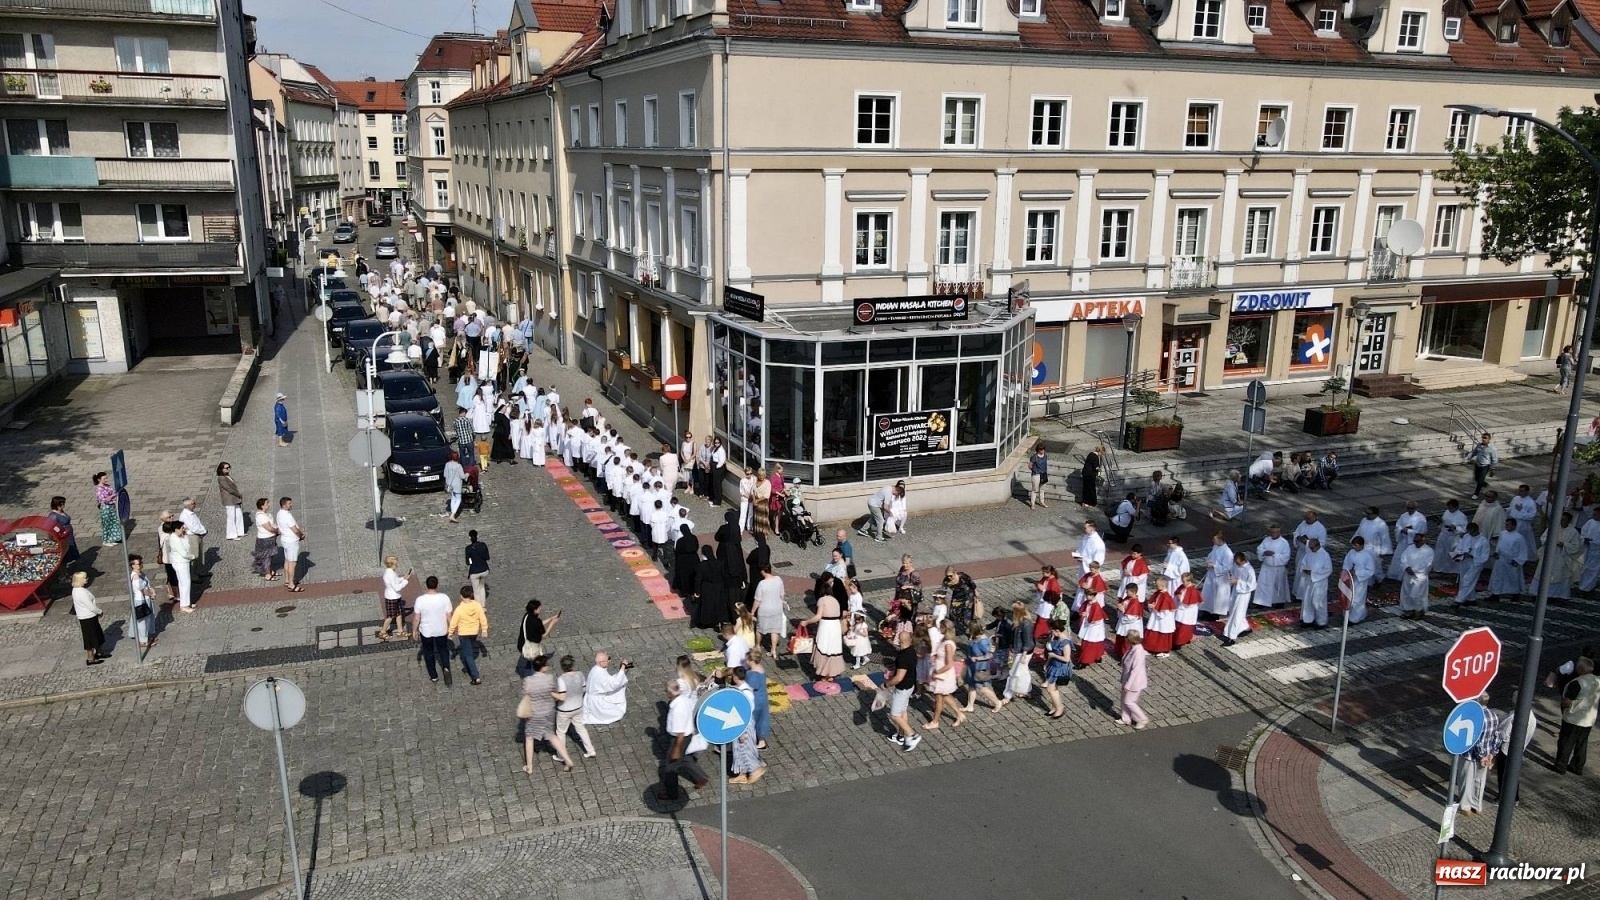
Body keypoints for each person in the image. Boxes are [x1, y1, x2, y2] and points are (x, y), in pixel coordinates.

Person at [522, 655, 574, 773]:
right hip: (548, 711)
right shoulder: (549, 678)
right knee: (551, 736)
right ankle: (567, 759)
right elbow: (553, 692)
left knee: (529, 738)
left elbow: (526, 694)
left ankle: (529, 766)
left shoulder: (528, 681)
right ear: (543, 668)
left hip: (534, 712)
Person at [1459, 691, 1502, 817]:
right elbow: (1497, 736)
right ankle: (1477, 805)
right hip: (1488, 754)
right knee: (1480, 780)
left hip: (1471, 754)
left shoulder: (1475, 717)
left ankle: (1465, 806)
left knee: (1466, 779)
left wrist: (1481, 755)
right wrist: (1492, 754)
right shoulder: (1493, 715)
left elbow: (1475, 739)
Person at [1554, 657, 1598, 776]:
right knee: (1582, 744)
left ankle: (1560, 766)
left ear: (1581, 669)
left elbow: (1567, 701)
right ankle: (1577, 767)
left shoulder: (1577, 682)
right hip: (1589, 719)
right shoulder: (1597, 680)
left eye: (1578, 666)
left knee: (1566, 742)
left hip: (1573, 718)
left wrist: (1563, 704)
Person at [726, 667, 768, 784]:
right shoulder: (742, 689)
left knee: (744, 748)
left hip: (743, 724)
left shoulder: (745, 693)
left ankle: (755, 769)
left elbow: (744, 713)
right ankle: (742, 774)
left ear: (735, 677)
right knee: (739, 749)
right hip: (740, 723)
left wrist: (742, 732)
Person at [798, 578, 845, 679]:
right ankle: (832, 674)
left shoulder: (822, 600)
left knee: (823, 646)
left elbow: (818, 616)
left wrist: (806, 622)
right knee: (833, 648)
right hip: (836, 626)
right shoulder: (835, 600)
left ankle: (824, 674)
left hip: (826, 625)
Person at [882, 631, 921, 751]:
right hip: (910, 686)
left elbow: (899, 677)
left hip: (902, 688)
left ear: (900, 640)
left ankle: (912, 735)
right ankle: (901, 736)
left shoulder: (903, 656)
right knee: (903, 710)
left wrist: (886, 684)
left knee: (895, 715)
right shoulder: (912, 651)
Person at [1536, 511, 1584, 603]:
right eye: (1560, 519)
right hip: (1550, 554)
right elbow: (1543, 538)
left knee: (1561, 575)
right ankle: (1539, 594)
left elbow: (1576, 546)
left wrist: (1564, 545)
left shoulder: (1573, 532)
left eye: (1564, 520)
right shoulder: (1553, 528)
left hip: (1562, 556)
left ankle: (1558, 595)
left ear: (1569, 521)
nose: (1561, 521)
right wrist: (1549, 540)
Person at [412, 579, 454, 683]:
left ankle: (433, 675)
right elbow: (449, 615)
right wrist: (452, 628)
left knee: (428, 652)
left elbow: (417, 618)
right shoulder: (444, 598)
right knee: (443, 650)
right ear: (437, 585)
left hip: (426, 631)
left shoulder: (420, 600)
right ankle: (446, 667)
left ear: (426, 585)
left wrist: (414, 630)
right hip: (441, 629)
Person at [448, 585, 488, 685]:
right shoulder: (477, 605)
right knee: (468, 650)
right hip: (474, 632)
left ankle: (475, 677)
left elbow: (453, 622)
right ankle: (467, 667)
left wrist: (451, 632)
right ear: (471, 595)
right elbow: (483, 618)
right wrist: (484, 629)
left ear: (461, 596)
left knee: (468, 654)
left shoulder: (459, 609)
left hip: (463, 633)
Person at [751, 561, 787, 662]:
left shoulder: (762, 584)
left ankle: (757, 645)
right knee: (775, 630)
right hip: (777, 608)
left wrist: (752, 612)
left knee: (760, 629)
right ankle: (773, 649)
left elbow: (757, 600)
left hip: (765, 609)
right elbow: (782, 594)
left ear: (763, 571)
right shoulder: (778, 579)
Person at [961, 621, 1001, 712]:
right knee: (971, 686)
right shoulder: (975, 638)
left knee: (982, 688)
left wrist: (976, 658)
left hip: (980, 668)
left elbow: (989, 655)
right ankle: (970, 706)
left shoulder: (983, 642)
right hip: (973, 667)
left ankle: (997, 702)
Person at [583, 652, 630, 725]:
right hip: (597, 703)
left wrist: (621, 670)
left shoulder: (596, 669)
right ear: (601, 662)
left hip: (594, 697)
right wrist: (623, 667)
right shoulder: (600, 675)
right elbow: (615, 683)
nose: (609, 662)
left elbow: (609, 681)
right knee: (619, 713)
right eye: (608, 660)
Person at [1296, 538, 1334, 628]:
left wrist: (1314, 573)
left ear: (1318, 546)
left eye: (1312, 548)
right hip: (1309, 580)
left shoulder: (1325, 555)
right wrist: (1304, 569)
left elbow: (1328, 570)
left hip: (1320, 582)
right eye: (1310, 547)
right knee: (1307, 600)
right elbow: (1303, 563)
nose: (1311, 549)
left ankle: (1321, 621)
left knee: (1317, 601)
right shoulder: (1309, 553)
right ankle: (1308, 619)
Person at [1396, 533, 1435, 620]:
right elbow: (1403, 557)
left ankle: (1419, 610)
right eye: (1414, 541)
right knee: (1406, 593)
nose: (1416, 543)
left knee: (1417, 594)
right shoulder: (1410, 548)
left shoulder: (1429, 551)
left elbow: (1428, 564)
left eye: (1418, 541)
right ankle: (1408, 610)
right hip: (1408, 574)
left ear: (1423, 541)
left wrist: (1414, 570)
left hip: (1419, 576)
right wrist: (1406, 567)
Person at [1488, 519, 1529, 602]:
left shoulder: (1519, 537)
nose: (1506, 526)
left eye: (1508, 525)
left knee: (1512, 578)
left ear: (1514, 526)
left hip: (1511, 560)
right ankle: (1495, 594)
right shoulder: (1503, 533)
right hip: (1501, 559)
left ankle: (1515, 594)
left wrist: (1518, 560)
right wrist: (1496, 552)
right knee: (1497, 577)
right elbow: (1499, 544)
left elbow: (1523, 550)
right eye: (1506, 524)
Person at [71, 571, 106, 666]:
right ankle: (90, 658)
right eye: (85, 578)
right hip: (88, 617)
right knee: (90, 638)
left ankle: (98, 652)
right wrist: (99, 611)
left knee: (95, 635)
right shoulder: (81, 592)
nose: (87, 579)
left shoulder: (76, 590)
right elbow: (90, 606)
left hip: (86, 617)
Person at [1077, 564, 1109, 666]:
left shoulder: (1096, 606)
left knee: (1091, 642)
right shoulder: (1087, 602)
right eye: (1086, 595)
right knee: (1089, 641)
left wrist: (1087, 615)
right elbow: (1082, 609)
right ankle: (1097, 656)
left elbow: (1097, 619)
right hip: (1088, 624)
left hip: (1094, 627)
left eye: (1089, 595)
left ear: (1093, 595)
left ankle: (1085, 660)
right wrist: (1083, 613)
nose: (1087, 597)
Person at [1451, 522, 1491, 605]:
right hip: (1465, 561)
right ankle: (1471, 599)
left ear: (1476, 530)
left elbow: (1484, 556)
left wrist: (1472, 556)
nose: (1470, 534)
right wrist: (1461, 553)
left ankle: (1458, 600)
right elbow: (1459, 548)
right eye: (1469, 532)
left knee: (1468, 581)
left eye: (1472, 532)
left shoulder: (1483, 541)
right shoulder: (1466, 537)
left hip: (1475, 564)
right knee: (1463, 580)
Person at [1041, 620, 1074, 719]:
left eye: (1053, 631)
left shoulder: (1065, 643)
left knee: (1050, 689)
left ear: (1058, 631)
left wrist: (1054, 655)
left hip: (1060, 668)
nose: (1052, 633)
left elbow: (1067, 659)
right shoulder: (1056, 638)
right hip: (1054, 665)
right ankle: (1055, 707)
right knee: (1054, 689)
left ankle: (1060, 708)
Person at [1222, 551, 1256, 646]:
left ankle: (1231, 636)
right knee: (1233, 610)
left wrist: (1239, 582)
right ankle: (1245, 628)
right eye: (1236, 562)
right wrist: (1232, 579)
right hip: (1235, 591)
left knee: (1237, 614)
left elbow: (1252, 585)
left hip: (1243, 594)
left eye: (1238, 563)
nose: (1237, 564)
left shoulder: (1249, 570)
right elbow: (1232, 572)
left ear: (1243, 560)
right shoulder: (1236, 566)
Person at [1255, 525, 1292, 608]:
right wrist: (1264, 552)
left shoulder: (1284, 542)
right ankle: (1261, 602)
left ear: (1279, 532)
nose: (1271, 534)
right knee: (1263, 585)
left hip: (1277, 567)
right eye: (1271, 532)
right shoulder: (1266, 539)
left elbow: (1286, 556)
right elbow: (1259, 549)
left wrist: (1274, 555)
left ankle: (1278, 602)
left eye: (1274, 532)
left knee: (1277, 586)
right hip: (1266, 567)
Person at [1118, 632, 1150, 729]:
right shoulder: (1132, 647)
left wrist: (1128, 684)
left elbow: (1135, 671)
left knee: (1129, 701)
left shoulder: (1138, 652)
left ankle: (1142, 719)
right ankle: (1125, 718)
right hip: (1127, 678)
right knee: (1123, 699)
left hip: (1134, 682)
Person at [164, 521, 196, 612]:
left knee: (185, 583)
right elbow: (183, 552)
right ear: (176, 529)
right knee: (185, 583)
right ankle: (184, 605)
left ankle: (186, 602)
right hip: (180, 563)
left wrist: (185, 536)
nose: (184, 529)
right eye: (182, 528)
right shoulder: (174, 539)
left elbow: (187, 546)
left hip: (183, 562)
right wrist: (192, 557)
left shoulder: (180, 537)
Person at [1199, 532, 1234, 617]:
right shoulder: (1215, 547)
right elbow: (1210, 556)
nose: (1212, 541)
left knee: (1218, 595)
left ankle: (1215, 614)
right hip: (1212, 574)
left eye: (1214, 539)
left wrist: (1214, 566)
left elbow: (1227, 567)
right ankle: (1206, 610)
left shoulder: (1227, 552)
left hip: (1221, 577)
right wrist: (1209, 562)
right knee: (1208, 593)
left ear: (1220, 540)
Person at [378, 556, 412, 641]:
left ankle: (400, 631)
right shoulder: (390, 574)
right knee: (390, 616)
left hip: (395, 596)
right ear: (391, 564)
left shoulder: (390, 572)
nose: (397, 565)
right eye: (396, 563)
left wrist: (403, 578)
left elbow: (395, 580)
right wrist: (406, 581)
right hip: (392, 597)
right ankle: (382, 632)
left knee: (399, 614)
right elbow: (397, 588)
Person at [276, 497, 306, 591]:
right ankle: (291, 584)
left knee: (287, 561)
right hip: (291, 540)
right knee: (292, 563)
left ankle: (287, 580)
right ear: (284, 505)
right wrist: (301, 535)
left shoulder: (279, 513)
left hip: (285, 539)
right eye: (289, 503)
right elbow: (295, 529)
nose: (291, 505)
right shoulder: (287, 516)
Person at [127, 554, 157, 651]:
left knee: (147, 619)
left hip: (146, 599)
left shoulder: (141, 574)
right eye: (138, 564)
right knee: (142, 621)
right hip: (141, 600)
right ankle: (143, 640)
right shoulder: (135, 577)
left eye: (141, 563)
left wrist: (152, 591)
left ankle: (146, 636)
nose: (141, 565)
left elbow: (147, 585)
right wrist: (151, 594)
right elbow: (142, 589)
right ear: (133, 565)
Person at [178, 497, 209, 582]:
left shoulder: (191, 513)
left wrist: (203, 530)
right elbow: (193, 528)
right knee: (194, 555)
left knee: (199, 554)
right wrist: (204, 531)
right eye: (193, 503)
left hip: (197, 535)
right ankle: (193, 575)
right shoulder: (186, 515)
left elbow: (198, 523)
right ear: (188, 505)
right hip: (192, 536)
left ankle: (199, 571)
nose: (195, 504)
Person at [1144, 576, 1176, 656]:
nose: (1156, 587)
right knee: (1153, 632)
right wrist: (1152, 605)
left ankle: (1164, 651)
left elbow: (1164, 611)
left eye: (1157, 586)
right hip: (1156, 617)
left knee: (1162, 634)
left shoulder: (1166, 597)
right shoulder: (1159, 592)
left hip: (1163, 620)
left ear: (1162, 586)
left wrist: (1154, 607)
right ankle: (1150, 648)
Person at [252, 498, 280, 580]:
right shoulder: (261, 517)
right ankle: (268, 574)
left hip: (270, 537)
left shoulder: (266, 515)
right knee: (266, 557)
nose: (269, 504)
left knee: (270, 556)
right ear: (262, 506)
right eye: (267, 503)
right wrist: (277, 531)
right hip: (265, 539)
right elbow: (269, 528)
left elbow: (272, 525)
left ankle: (269, 570)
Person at [217, 462, 245, 541]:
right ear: (221, 469)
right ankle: (231, 534)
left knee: (238, 515)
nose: (228, 469)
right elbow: (228, 489)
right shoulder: (221, 478)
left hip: (234, 498)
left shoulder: (227, 476)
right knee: (231, 516)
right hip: (229, 499)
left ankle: (239, 532)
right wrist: (238, 494)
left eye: (229, 467)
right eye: (226, 468)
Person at [45, 496, 77, 566]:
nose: (64, 505)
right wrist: (59, 532)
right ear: (58, 505)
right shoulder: (53, 516)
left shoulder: (61, 512)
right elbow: (51, 528)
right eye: (62, 504)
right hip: (62, 537)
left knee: (69, 551)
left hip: (68, 536)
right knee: (64, 555)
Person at [1174, 572, 1202, 648]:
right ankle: (1178, 639)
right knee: (1179, 626)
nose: (1183, 583)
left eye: (1184, 581)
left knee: (1185, 628)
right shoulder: (1182, 587)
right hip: (1181, 611)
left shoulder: (1193, 591)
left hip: (1187, 612)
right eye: (1182, 581)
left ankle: (1180, 642)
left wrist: (1181, 599)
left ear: (1189, 581)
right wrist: (1178, 596)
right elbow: (1177, 592)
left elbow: (1190, 604)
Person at [93, 472, 122, 546]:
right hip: (105, 507)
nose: (106, 480)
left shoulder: (107, 486)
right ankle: (106, 540)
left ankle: (112, 538)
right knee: (107, 523)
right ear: (99, 480)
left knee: (113, 521)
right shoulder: (98, 489)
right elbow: (104, 499)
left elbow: (112, 492)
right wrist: (112, 495)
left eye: (106, 478)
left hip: (111, 506)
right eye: (104, 478)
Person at [1508, 485, 1539, 555]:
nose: (1519, 492)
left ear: (1527, 492)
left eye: (1522, 491)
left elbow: (1532, 515)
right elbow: (1510, 508)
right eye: (1519, 490)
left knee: (1522, 541)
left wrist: (1521, 511)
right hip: (1513, 522)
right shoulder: (1515, 498)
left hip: (1523, 524)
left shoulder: (1531, 502)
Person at [1467, 433, 1498, 500]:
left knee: (1480, 479)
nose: (1483, 439)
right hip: (1477, 464)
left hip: (1485, 465)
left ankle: (1476, 494)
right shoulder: (1479, 445)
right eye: (1482, 438)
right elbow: (1474, 452)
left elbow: (1494, 459)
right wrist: (1469, 456)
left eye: (1485, 438)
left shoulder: (1492, 449)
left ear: (1489, 439)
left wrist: (1493, 468)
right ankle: (1485, 485)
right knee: (1476, 478)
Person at [464, 529, 490, 601]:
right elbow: (487, 557)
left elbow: (468, 562)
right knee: (482, 588)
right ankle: (483, 606)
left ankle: (478, 607)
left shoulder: (468, 549)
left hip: (474, 571)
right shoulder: (483, 545)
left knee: (476, 591)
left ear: (469, 538)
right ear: (478, 536)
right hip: (484, 570)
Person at [1581, 507, 1600, 595]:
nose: (1593, 515)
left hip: (1596, 551)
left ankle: (1587, 588)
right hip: (1586, 548)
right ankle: (1582, 585)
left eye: (1596, 514)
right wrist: (1584, 539)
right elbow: (1583, 532)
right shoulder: (1590, 522)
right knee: (1584, 567)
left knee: (1592, 570)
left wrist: (1593, 542)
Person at [1028, 443, 1050, 509]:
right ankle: (1032, 504)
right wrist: (1034, 470)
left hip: (1043, 474)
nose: (1042, 450)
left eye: (1043, 449)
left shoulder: (1045, 455)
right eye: (1041, 449)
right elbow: (1030, 465)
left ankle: (1042, 502)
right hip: (1036, 474)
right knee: (1034, 490)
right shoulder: (1034, 457)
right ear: (1038, 450)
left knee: (1042, 489)